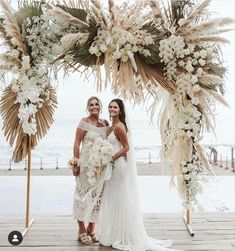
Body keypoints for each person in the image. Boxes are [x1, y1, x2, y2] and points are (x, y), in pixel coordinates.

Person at [97, 98, 178, 251]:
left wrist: (111, 157)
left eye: (115, 107)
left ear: (120, 111)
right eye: (110, 107)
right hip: (111, 165)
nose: (112, 109)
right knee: (111, 196)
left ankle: (122, 235)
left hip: (118, 166)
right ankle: (113, 234)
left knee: (119, 198)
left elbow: (126, 147)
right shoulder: (110, 127)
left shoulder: (119, 127)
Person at [71, 96, 109, 245]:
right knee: (82, 195)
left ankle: (91, 228)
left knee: (97, 196)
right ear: (88, 107)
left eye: (96, 104)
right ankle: (81, 229)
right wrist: (75, 163)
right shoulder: (84, 122)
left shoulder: (105, 123)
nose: (94, 106)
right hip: (85, 165)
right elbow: (76, 143)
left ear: (100, 106)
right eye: (91, 104)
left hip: (99, 167)